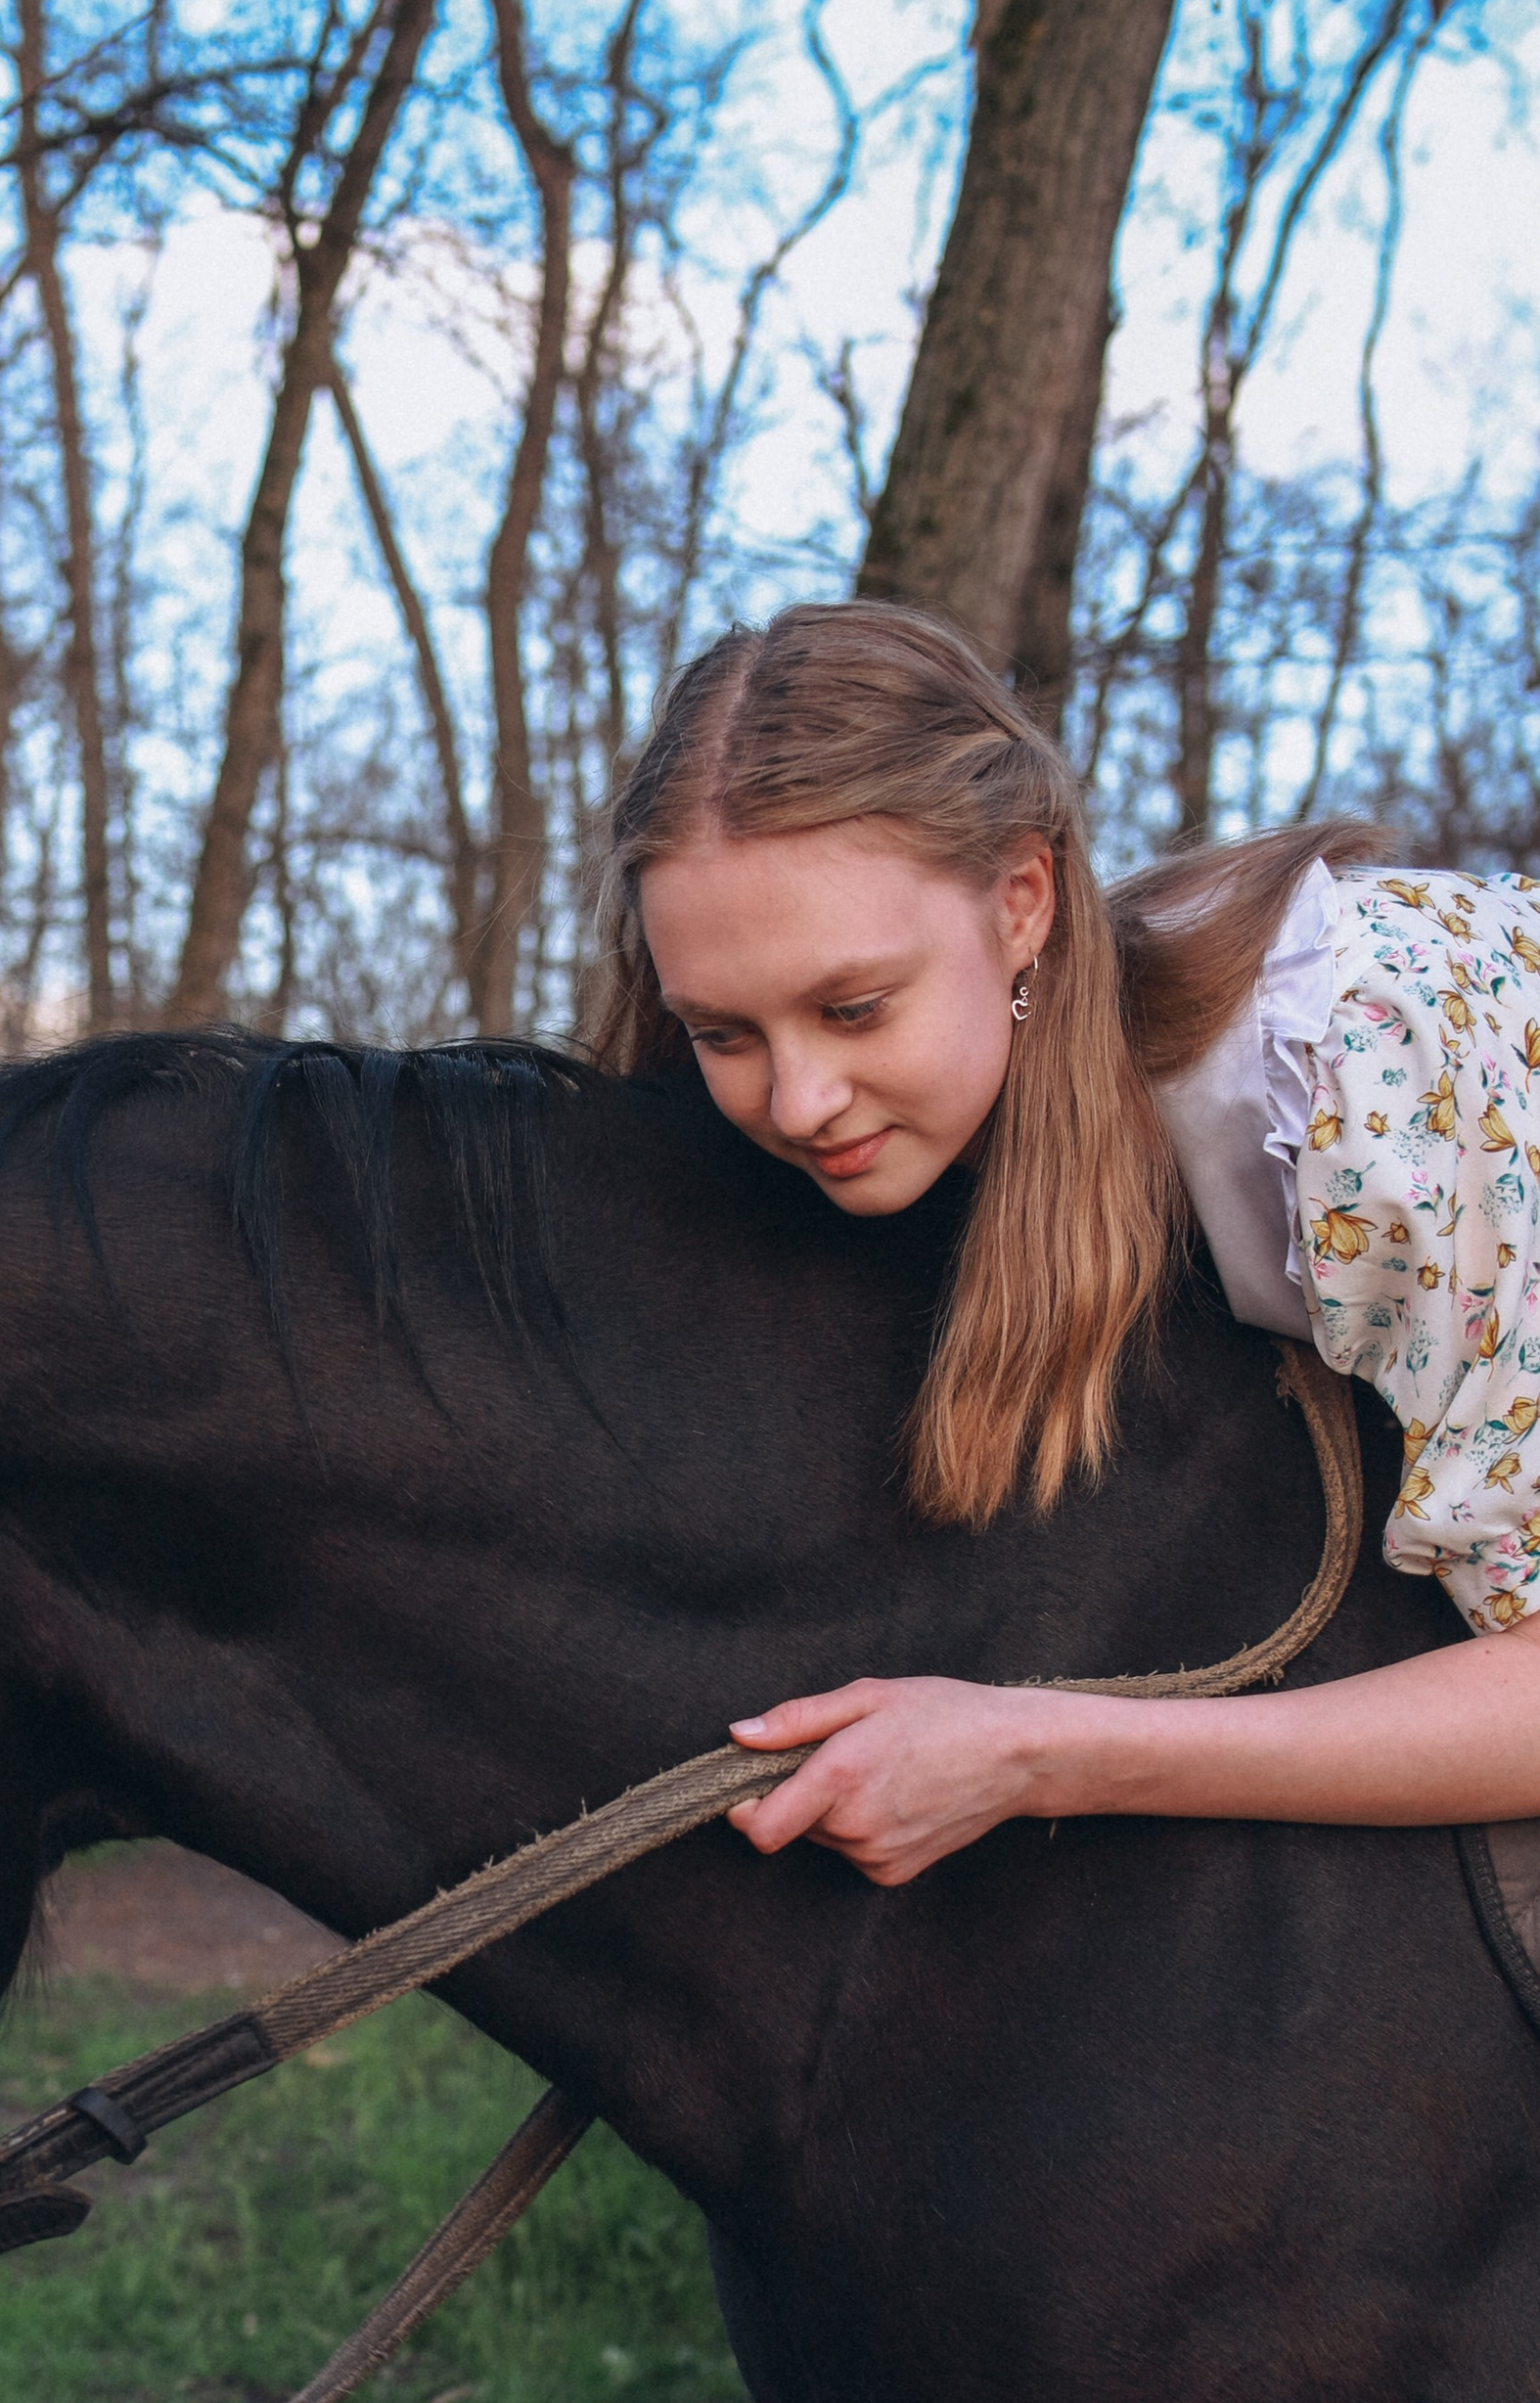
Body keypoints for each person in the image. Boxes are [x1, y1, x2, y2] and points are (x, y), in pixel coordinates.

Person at [586, 598, 1540, 1886]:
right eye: (726, 1035)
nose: (801, 1101)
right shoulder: (970, 1123)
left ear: (1024, 898)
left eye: (854, 1007)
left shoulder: (1349, 1070)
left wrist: (1046, 1754)